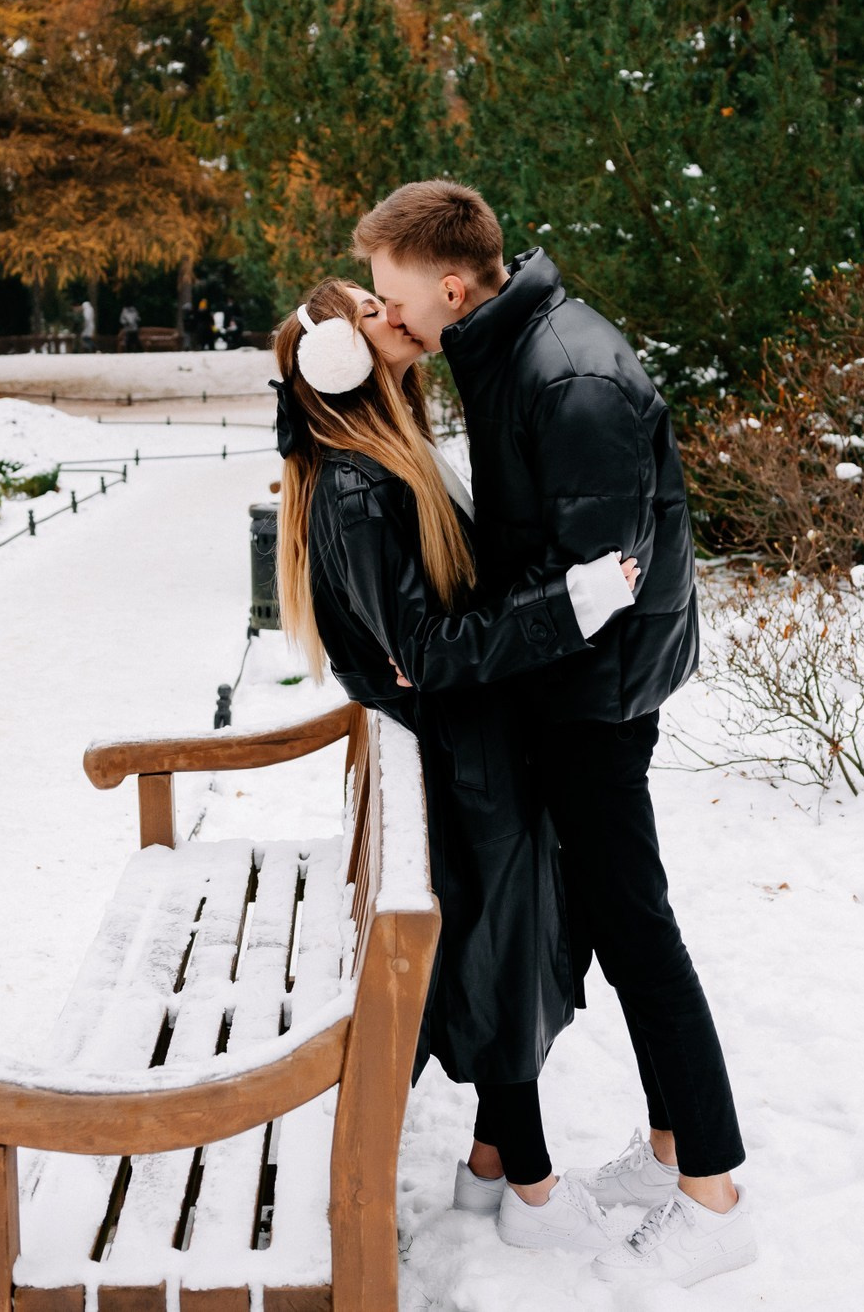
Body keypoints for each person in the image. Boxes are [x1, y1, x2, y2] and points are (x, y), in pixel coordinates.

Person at [356, 179, 756, 1290]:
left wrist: (454, 653)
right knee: (620, 919)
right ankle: (675, 1147)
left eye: (391, 297)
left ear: (446, 284)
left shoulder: (566, 377)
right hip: (575, 686)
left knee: (635, 931)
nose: (385, 320)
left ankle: (715, 1195)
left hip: (595, 694)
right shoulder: (506, 349)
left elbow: (596, 586)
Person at [269, 279, 643, 1255]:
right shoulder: (357, 483)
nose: (396, 311)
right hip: (463, 760)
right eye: (370, 308)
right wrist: (569, 605)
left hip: (473, 747)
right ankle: (529, 1187)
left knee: (514, 949)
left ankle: (494, 1172)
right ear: (339, 360)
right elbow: (429, 651)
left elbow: (427, 640)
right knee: (503, 958)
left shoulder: (382, 453)